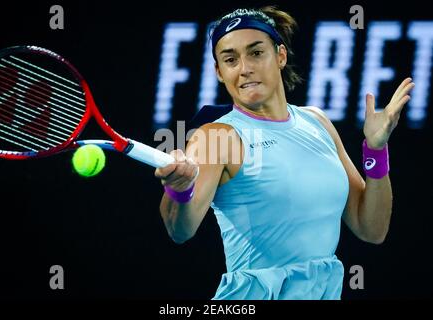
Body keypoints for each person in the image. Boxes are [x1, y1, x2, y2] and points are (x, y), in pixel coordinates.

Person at [154, 5, 414, 300]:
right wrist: (179, 189)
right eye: (230, 59)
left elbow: (372, 228)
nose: (244, 68)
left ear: (280, 55)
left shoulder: (317, 122)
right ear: (219, 72)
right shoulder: (216, 137)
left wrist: (376, 151)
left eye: (256, 52)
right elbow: (180, 230)